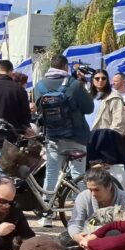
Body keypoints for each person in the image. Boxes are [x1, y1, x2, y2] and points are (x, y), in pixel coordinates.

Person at [33, 55, 95, 226]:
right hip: (76, 137)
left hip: (52, 137)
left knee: (51, 175)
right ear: (65, 67)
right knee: (78, 175)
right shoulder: (74, 85)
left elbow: (38, 109)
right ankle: (85, 215)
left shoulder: (40, 86)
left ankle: (46, 216)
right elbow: (89, 108)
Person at [66, 166, 125, 245]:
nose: (93, 194)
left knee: (114, 234)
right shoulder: (83, 197)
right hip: (88, 234)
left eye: (96, 190)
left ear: (109, 186)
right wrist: (77, 236)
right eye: (90, 189)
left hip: (114, 239)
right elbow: (75, 222)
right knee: (65, 238)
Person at [86, 68, 125, 177]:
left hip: (105, 140)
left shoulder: (114, 97)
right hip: (87, 138)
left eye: (103, 78)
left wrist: (110, 138)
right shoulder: (87, 97)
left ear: (107, 80)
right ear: (92, 80)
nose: (100, 80)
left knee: (107, 172)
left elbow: (118, 122)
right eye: (97, 78)